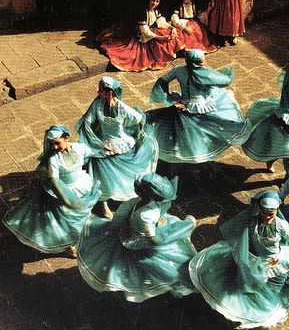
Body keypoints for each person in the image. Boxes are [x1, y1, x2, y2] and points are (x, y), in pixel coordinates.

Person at [189, 190, 289, 330]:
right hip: (254, 261)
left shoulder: (282, 227)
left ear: (277, 211)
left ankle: (264, 319)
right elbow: (246, 239)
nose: (267, 217)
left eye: (271, 213)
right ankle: (248, 316)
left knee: (270, 292)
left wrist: (278, 255)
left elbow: (288, 242)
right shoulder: (252, 224)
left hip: (275, 264)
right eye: (264, 212)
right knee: (245, 289)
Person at [77, 173, 197, 302]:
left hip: (134, 236)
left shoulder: (140, 209)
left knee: (152, 266)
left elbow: (151, 238)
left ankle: (169, 286)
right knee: (153, 267)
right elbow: (153, 233)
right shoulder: (148, 209)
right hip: (139, 235)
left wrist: (124, 229)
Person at [2, 125, 101, 257]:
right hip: (63, 192)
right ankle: (70, 243)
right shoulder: (53, 159)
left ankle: (82, 234)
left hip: (82, 186)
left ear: (66, 138)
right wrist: (67, 200)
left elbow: (92, 151)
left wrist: (107, 148)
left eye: (57, 143)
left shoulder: (79, 148)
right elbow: (54, 180)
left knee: (82, 214)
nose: (54, 147)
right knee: (66, 220)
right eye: (51, 144)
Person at [146, 49, 250, 164]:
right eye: (202, 60)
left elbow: (162, 81)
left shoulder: (178, 70)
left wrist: (171, 100)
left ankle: (183, 151)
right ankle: (198, 150)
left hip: (183, 105)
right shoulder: (207, 74)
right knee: (211, 127)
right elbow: (226, 80)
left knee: (180, 130)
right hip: (201, 107)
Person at [77, 76, 159, 218]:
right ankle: (103, 205)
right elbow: (88, 124)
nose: (98, 93)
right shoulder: (97, 106)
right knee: (100, 176)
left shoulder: (123, 108)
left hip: (121, 145)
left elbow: (139, 119)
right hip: (103, 146)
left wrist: (132, 133)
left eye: (101, 90)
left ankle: (125, 201)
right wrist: (99, 143)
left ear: (110, 92)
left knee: (125, 177)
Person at [99, 0, 186, 72]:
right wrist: (161, 38)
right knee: (133, 55)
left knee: (173, 34)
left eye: (157, 1)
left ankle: (169, 55)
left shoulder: (155, 11)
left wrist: (172, 28)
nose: (154, 3)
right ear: (149, 0)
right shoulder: (143, 12)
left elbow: (161, 22)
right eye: (153, 0)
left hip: (152, 31)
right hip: (143, 35)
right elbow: (145, 31)